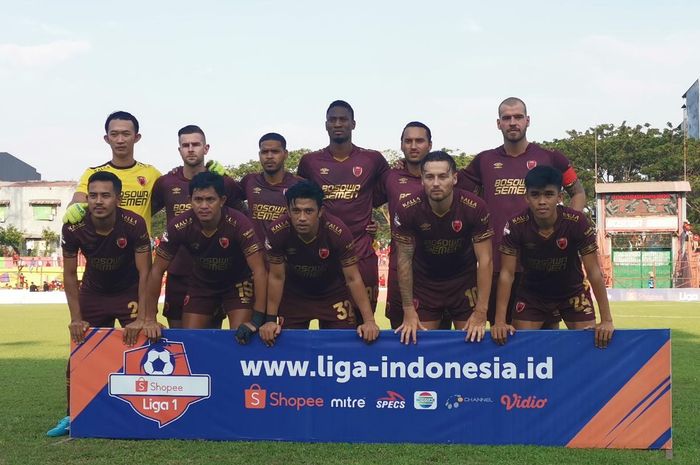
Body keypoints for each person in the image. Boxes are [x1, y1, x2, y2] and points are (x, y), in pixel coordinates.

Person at [457, 97, 586, 329]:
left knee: (547, 337)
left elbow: (578, 192)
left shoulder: (551, 157)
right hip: (498, 265)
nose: (513, 122)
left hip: (542, 265)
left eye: (518, 117)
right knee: (502, 335)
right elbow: (453, 192)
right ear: (498, 124)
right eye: (507, 118)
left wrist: (568, 226)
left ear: (528, 121)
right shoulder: (484, 161)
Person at [47, 171, 153, 437]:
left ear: (117, 199)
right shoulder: (74, 227)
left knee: (145, 347)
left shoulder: (135, 224)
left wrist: (144, 316)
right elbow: (70, 275)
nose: (98, 201)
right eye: (93, 195)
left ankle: (145, 412)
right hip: (93, 293)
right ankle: (74, 415)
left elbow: (146, 273)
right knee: (79, 356)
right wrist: (76, 317)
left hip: (128, 291)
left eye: (105, 195)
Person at [492, 166, 614, 348]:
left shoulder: (577, 222)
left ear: (560, 197)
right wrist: (500, 321)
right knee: (521, 347)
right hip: (532, 295)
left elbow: (593, 270)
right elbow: (507, 274)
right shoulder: (516, 226)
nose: (542, 201)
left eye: (549, 194)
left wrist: (606, 320)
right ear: (527, 198)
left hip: (572, 292)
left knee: (588, 345)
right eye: (535, 195)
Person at [145, 172, 267, 342]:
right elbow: (157, 270)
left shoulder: (240, 223)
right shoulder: (179, 225)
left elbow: (259, 271)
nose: (204, 206)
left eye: (210, 200)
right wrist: (150, 319)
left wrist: (257, 320)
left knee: (241, 339)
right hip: (202, 284)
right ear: (190, 200)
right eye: (198, 199)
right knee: (190, 341)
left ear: (222, 200)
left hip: (237, 283)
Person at [259, 180, 379, 345]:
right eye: (296, 211)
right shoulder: (276, 231)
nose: (302, 218)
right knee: (288, 350)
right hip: (295, 296)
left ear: (320, 211)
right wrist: (270, 319)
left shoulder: (338, 231)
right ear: (288, 210)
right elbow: (276, 277)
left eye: (309, 211)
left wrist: (369, 321)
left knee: (342, 349)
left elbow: (353, 278)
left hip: (333, 294)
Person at [297, 100, 389, 317]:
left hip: (362, 253)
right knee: (327, 324)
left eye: (343, 119)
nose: (338, 124)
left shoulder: (372, 159)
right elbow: (299, 202)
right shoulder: (310, 162)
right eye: (333, 120)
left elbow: (391, 187)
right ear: (326, 125)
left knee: (364, 324)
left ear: (353, 124)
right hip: (322, 256)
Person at [393, 151, 494, 344]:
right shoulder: (407, 208)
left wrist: (481, 312)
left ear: (454, 178)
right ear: (422, 179)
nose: (436, 183)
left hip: (463, 283)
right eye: (430, 177)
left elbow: (485, 260)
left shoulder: (475, 207)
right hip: (425, 285)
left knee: (471, 347)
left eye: (443, 176)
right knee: (419, 347)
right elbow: (404, 259)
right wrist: (408, 309)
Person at [151, 125, 245, 328]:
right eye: (185, 145)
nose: (191, 149)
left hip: (216, 274)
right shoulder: (165, 183)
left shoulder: (224, 183)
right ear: (179, 150)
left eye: (196, 144)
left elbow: (244, 217)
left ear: (206, 148)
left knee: (211, 338)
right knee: (180, 339)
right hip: (179, 271)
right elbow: (143, 214)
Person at [374, 121, 436, 329]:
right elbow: (361, 201)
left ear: (430, 145)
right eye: (408, 141)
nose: (413, 146)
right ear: (401, 145)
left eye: (419, 141)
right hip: (399, 266)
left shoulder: (443, 178)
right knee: (399, 335)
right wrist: (368, 224)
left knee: (439, 340)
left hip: (436, 270)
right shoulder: (391, 177)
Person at [63, 111, 162, 235]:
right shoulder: (92, 173)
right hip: (104, 251)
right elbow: (78, 201)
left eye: (126, 134)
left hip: (140, 251)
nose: (120, 140)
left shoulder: (151, 173)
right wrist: (74, 208)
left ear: (136, 137)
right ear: (107, 138)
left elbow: (165, 200)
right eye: (114, 134)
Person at [240, 132, 303, 241]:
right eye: (265, 152)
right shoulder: (249, 180)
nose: (269, 156)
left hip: (287, 253)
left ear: (285, 154)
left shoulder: (299, 184)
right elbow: (230, 198)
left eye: (275, 152)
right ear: (259, 155)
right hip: (255, 253)